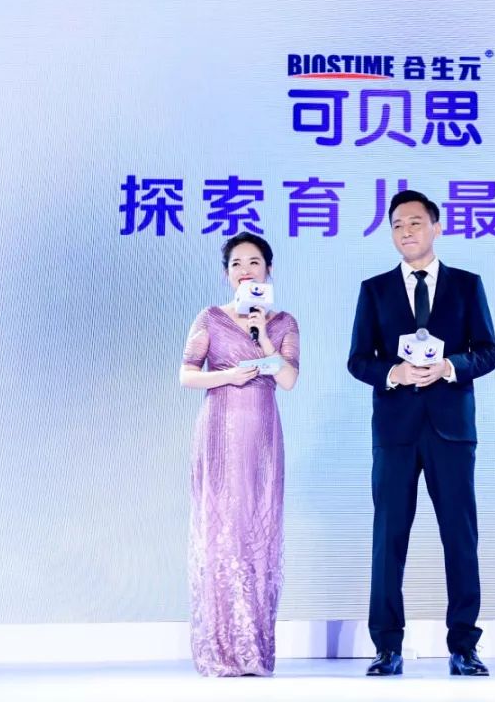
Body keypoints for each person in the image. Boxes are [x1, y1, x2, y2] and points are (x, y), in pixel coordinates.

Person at [347, 190, 495, 676]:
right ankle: (387, 647)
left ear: (437, 226)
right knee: (388, 538)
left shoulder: (466, 285)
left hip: (451, 430)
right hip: (395, 431)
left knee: (460, 536)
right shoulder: (374, 290)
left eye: (415, 222)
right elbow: (358, 360)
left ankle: (464, 646)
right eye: (397, 225)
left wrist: (449, 367)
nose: (406, 231)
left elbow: (489, 352)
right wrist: (394, 373)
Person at [179, 232, 300, 676]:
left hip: (262, 436)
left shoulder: (284, 323)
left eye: (254, 262)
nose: (245, 270)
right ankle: (220, 650)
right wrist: (227, 376)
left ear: (269, 270)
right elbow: (186, 375)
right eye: (236, 264)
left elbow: (288, 380)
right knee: (220, 531)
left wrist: (263, 336)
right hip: (219, 430)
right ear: (226, 274)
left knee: (257, 530)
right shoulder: (210, 318)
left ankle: (254, 649)